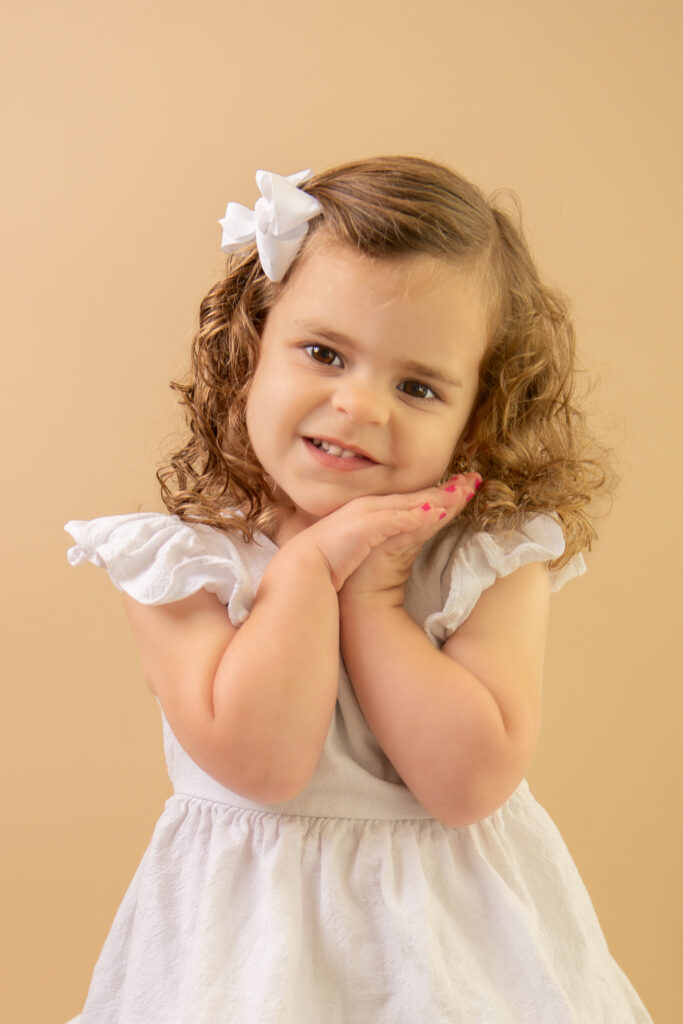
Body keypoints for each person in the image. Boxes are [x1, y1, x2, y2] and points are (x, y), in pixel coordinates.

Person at [65, 157, 652, 1022]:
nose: (358, 405)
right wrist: (306, 570)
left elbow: (468, 784)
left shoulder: (484, 564)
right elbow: (261, 765)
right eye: (323, 353)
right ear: (250, 350)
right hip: (247, 955)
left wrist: (375, 598)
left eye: (417, 386)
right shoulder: (181, 566)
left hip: (455, 955)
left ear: (475, 416)